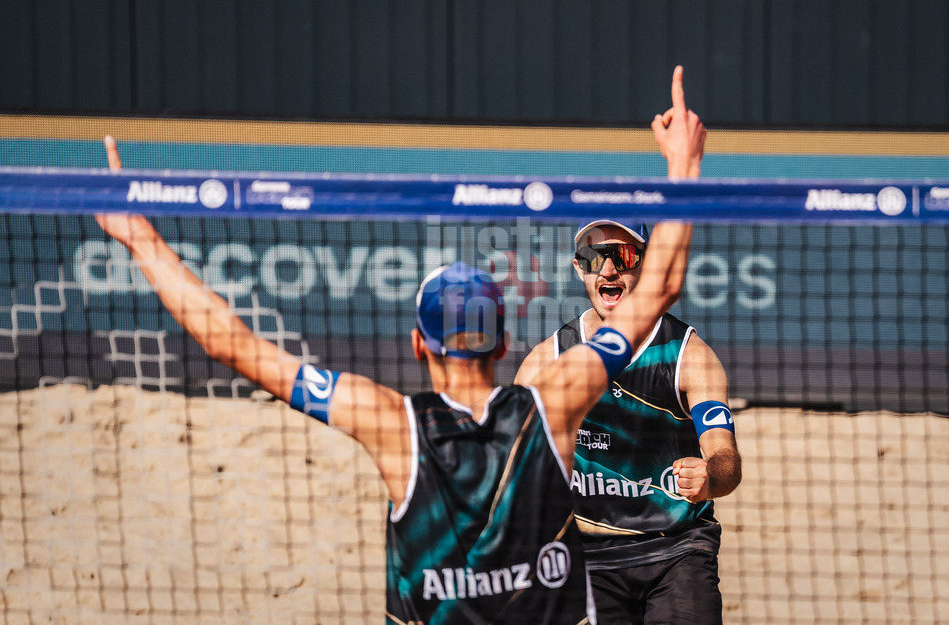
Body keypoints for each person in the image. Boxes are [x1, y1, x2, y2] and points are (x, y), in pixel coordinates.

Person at [94, 67, 701, 624]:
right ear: (503, 343)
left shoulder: (390, 423)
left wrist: (140, 239)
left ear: (419, 344)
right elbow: (662, 284)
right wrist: (682, 167)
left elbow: (232, 344)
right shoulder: (554, 402)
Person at [516, 68, 741, 624]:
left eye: (625, 255)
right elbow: (513, 472)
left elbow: (728, 462)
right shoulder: (547, 361)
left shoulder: (689, 355)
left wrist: (710, 475)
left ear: (645, 262)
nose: (609, 269)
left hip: (678, 548)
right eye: (595, 256)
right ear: (577, 269)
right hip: (589, 555)